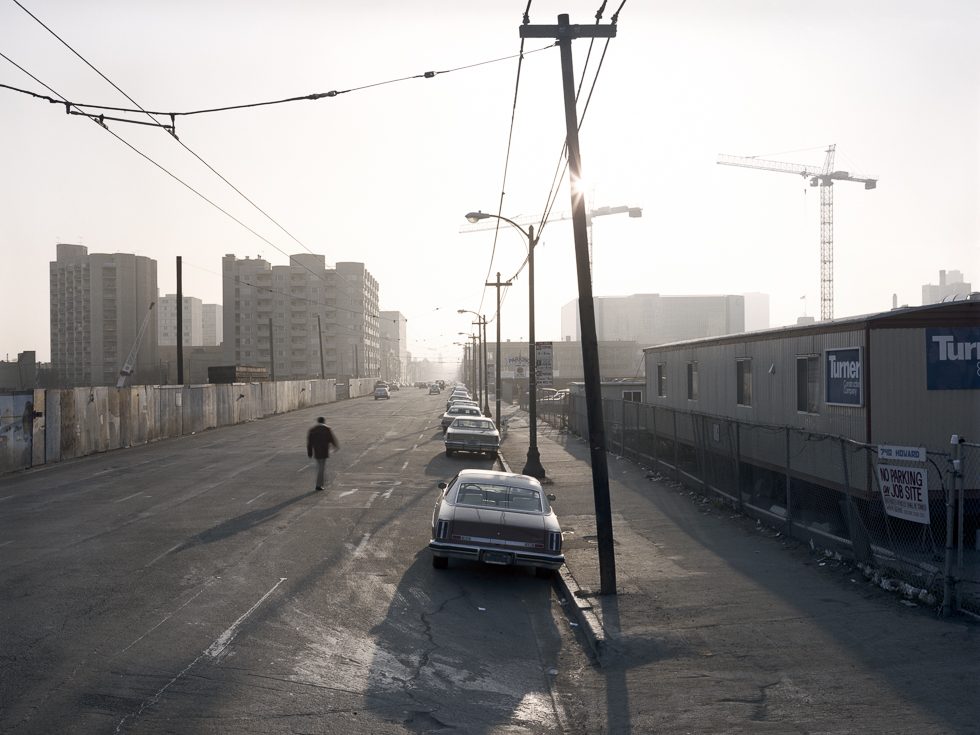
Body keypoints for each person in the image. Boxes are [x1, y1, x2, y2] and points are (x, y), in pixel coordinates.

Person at [307, 416, 339, 491]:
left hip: (317, 450)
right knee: (321, 468)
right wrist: (335, 446)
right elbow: (331, 438)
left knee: (320, 467)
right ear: (324, 421)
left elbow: (309, 442)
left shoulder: (312, 429)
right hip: (324, 450)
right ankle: (319, 485)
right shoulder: (327, 429)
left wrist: (310, 452)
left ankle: (321, 482)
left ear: (318, 421)